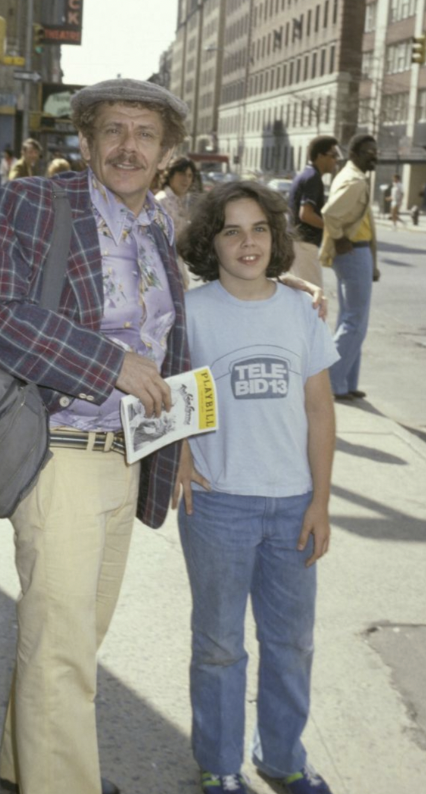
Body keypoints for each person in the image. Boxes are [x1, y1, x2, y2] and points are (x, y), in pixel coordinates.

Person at [0, 78, 191, 794]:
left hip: (125, 459)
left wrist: (178, 444)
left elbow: (169, 346)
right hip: (58, 456)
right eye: (113, 131)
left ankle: (23, 769)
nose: (128, 146)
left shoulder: (157, 227)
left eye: (144, 135)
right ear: (85, 142)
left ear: (165, 153)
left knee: (71, 642)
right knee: (62, 655)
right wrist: (106, 362)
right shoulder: (36, 202)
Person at [175, 180, 338, 794]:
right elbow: (172, 390)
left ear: (276, 236)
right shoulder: (192, 311)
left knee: (291, 642)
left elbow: (320, 410)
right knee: (218, 645)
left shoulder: (301, 310)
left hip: (293, 502)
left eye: (260, 229)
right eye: (231, 230)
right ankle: (220, 765)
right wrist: (183, 452)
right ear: (209, 242)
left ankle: (282, 757)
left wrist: (321, 501)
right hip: (219, 506)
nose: (248, 243)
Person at [320, 134, 380, 402]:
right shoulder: (354, 181)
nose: (374, 156)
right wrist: (340, 238)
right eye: (368, 152)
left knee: (354, 321)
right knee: (355, 322)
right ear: (354, 154)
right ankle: (331, 382)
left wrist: (374, 262)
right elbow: (330, 213)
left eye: (375, 151)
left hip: (359, 252)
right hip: (354, 251)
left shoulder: (352, 176)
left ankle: (345, 382)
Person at [288, 135, 340, 287]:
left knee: (300, 296)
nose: (335, 160)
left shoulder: (306, 174)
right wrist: (331, 228)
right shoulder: (313, 178)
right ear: (320, 156)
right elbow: (306, 214)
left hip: (297, 243)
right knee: (314, 297)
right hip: (304, 244)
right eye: (333, 155)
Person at [155, 156, 197, 238]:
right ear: (170, 176)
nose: (186, 179)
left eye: (189, 176)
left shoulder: (189, 202)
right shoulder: (160, 202)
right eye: (182, 174)